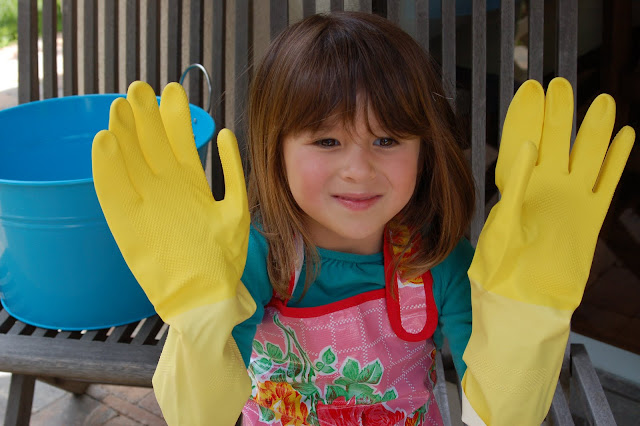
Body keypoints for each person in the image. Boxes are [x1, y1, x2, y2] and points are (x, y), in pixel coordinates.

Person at [91, 11, 635, 426]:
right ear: (275, 150)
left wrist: (525, 315)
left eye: (387, 139)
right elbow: (197, 416)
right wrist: (201, 311)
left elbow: (500, 416)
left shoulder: (435, 260)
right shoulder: (255, 256)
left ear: (424, 149)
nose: (358, 169)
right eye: (327, 141)